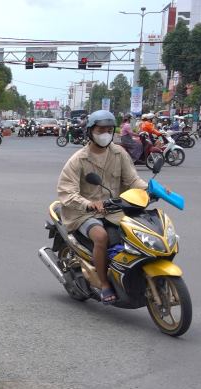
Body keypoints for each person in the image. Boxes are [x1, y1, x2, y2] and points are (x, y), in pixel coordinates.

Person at [57, 110, 148, 305]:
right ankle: (104, 283)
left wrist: (149, 190)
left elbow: (132, 179)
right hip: (82, 213)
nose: (105, 133)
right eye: (101, 130)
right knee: (101, 236)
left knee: (136, 232)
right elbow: (67, 192)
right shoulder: (78, 159)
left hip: (113, 209)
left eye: (109, 129)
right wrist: (88, 204)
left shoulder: (119, 153)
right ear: (90, 131)